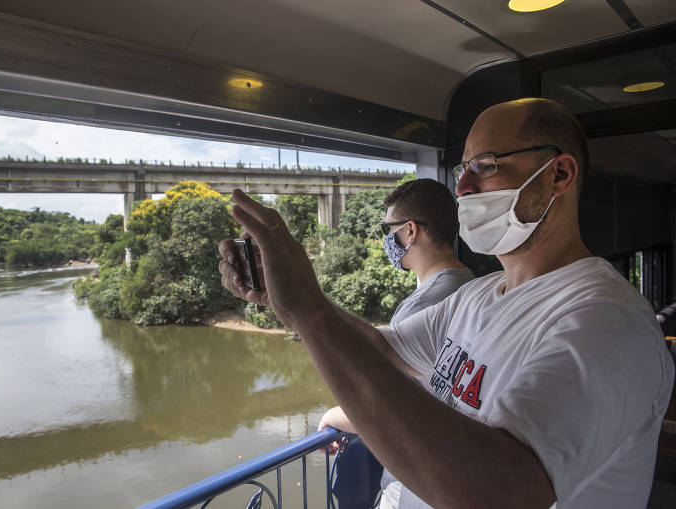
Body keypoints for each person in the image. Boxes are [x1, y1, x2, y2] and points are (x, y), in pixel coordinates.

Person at [218, 98, 674, 508]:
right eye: (462, 171)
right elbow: (381, 352)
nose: (463, 188)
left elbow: (496, 492)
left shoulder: (606, 321)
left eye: (487, 165)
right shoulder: (477, 294)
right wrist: (294, 298)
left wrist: (309, 311)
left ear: (559, 174)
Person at [317, 178, 474, 509]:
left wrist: (335, 416)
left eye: (390, 230)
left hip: (414, 487)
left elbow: (390, 408)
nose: (387, 240)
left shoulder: (422, 306)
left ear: (411, 232)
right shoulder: (474, 288)